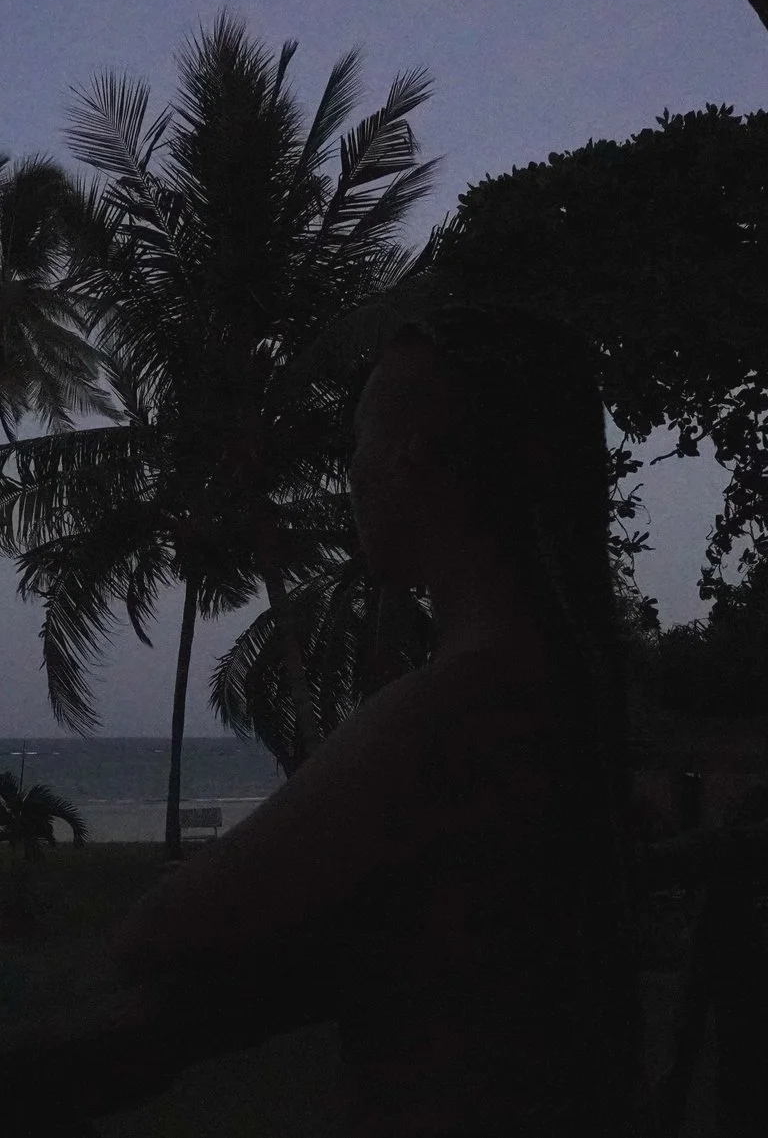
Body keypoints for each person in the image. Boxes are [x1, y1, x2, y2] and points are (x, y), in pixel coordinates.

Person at [105, 319, 641, 1135]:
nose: (347, 471)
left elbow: (160, 932)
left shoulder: (448, 716)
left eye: (358, 440)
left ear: (408, 459)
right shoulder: (564, 685)